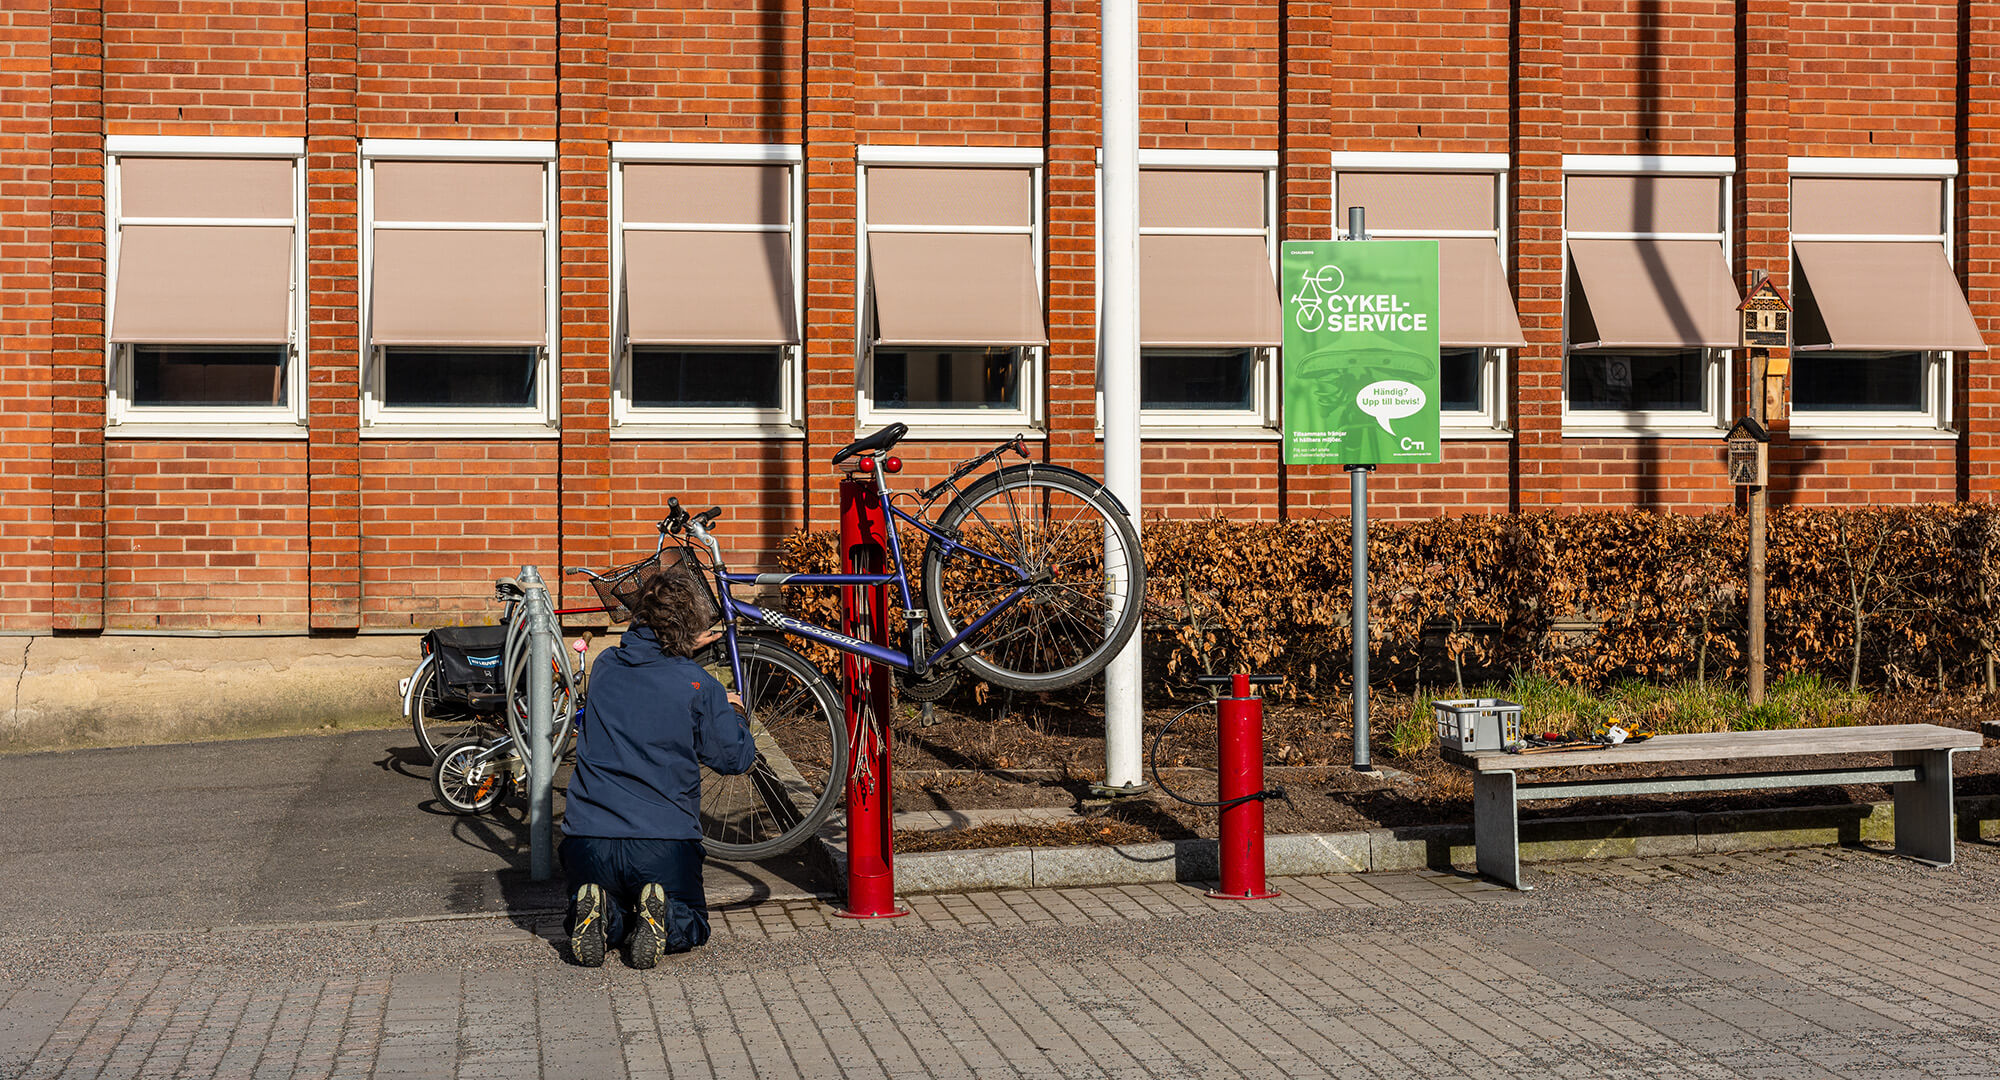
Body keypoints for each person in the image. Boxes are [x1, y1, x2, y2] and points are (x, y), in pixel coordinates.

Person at [560, 565, 757, 968]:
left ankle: (604, 914)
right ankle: (667, 916)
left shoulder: (606, 667)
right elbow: (734, 758)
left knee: (612, 907)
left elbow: (648, 668)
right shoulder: (697, 683)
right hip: (663, 842)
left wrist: (680, 643)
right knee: (691, 921)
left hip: (587, 839)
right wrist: (734, 712)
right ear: (690, 629)